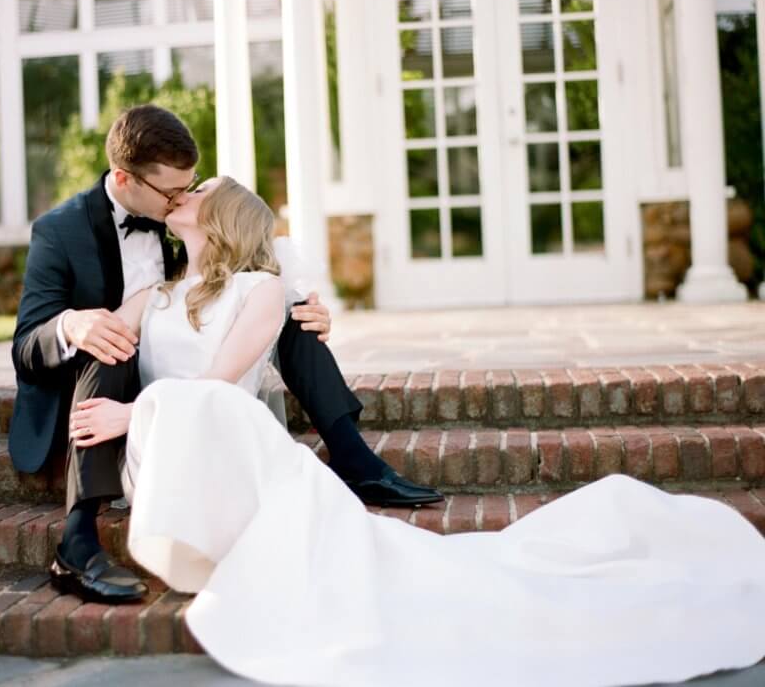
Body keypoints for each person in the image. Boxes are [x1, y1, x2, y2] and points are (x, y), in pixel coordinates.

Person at [78, 176, 765, 687]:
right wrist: (84, 338)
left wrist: (132, 413)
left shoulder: (260, 290)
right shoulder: (153, 295)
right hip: (171, 446)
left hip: (229, 442)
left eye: (201, 189)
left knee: (227, 418)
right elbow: (102, 344)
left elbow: (221, 387)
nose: (184, 192)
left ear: (225, 216)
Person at [8, 105, 442, 605]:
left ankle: (353, 457)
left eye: (190, 188)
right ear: (126, 179)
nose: (181, 199)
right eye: (173, 193)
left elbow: (242, 266)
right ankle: (78, 537)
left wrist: (308, 308)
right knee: (109, 340)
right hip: (109, 380)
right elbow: (26, 347)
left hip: (192, 382)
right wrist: (72, 324)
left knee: (290, 308)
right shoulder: (60, 231)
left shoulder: (189, 225)